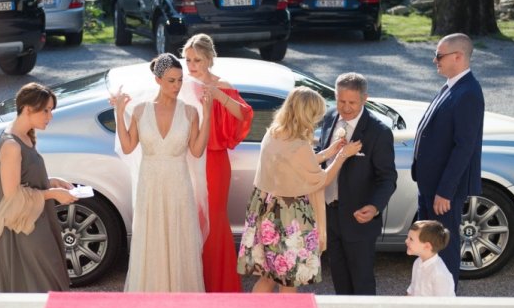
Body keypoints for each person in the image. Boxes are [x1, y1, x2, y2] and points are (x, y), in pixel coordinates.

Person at [237, 87, 362, 293]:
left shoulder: (274, 133)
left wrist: (327, 153)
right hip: (288, 216)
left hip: (265, 208)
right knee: (289, 279)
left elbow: (294, 164)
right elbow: (319, 179)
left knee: (268, 276)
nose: (317, 120)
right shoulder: (299, 145)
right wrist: (342, 156)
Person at [112, 53, 213, 292]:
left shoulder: (190, 112)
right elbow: (127, 147)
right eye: (171, 81)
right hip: (150, 187)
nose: (177, 86)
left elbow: (197, 152)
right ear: (157, 80)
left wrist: (207, 114)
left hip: (179, 187)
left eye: (179, 80)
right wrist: (119, 113)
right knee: (152, 241)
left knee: (179, 240)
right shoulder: (139, 110)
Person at [410, 33, 484, 286]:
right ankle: (427, 294)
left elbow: (464, 147)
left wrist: (445, 191)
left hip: (443, 192)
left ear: (458, 56)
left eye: (439, 56)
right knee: (427, 246)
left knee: (445, 249)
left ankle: (447, 303)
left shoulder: (468, 93)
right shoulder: (452, 86)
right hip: (430, 185)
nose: (435, 60)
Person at [181, 34, 253, 293]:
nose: (191, 65)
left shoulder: (221, 85)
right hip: (186, 161)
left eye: (197, 60)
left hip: (213, 162)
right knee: (190, 220)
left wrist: (218, 96)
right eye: (188, 59)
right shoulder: (181, 85)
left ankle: (219, 286)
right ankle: (192, 283)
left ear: (210, 59)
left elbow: (244, 114)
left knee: (213, 221)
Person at [0, 82, 76, 292]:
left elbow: (25, 178)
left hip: (38, 218)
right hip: (26, 228)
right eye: (46, 110)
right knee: (43, 283)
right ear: (28, 109)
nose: (50, 116)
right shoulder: (11, 145)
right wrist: (52, 193)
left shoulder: (25, 136)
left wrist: (52, 181)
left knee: (50, 278)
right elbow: (12, 195)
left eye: (51, 110)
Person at [316, 73, 397, 295]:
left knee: (362, 282)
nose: (346, 107)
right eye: (341, 101)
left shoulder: (378, 132)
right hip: (329, 214)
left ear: (364, 99)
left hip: (358, 218)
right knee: (339, 278)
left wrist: (374, 206)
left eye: (352, 102)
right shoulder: (330, 117)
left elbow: (387, 178)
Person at [405, 220, 454, 297]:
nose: (406, 241)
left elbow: (443, 306)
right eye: (407, 237)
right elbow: (412, 289)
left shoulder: (439, 274)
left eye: (411, 239)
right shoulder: (418, 262)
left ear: (427, 246)